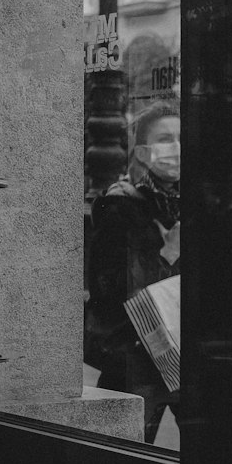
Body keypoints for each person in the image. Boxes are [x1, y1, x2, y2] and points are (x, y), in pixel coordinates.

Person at [85, 101, 181, 443]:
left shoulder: (195, 203)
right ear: (142, 152)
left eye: (182, 138)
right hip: (136, 359)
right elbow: (112, 290)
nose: (177, 148)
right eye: (166, 139)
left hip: (184, 352)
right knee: (125, 455)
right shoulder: (119, 206)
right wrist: (168, 253)